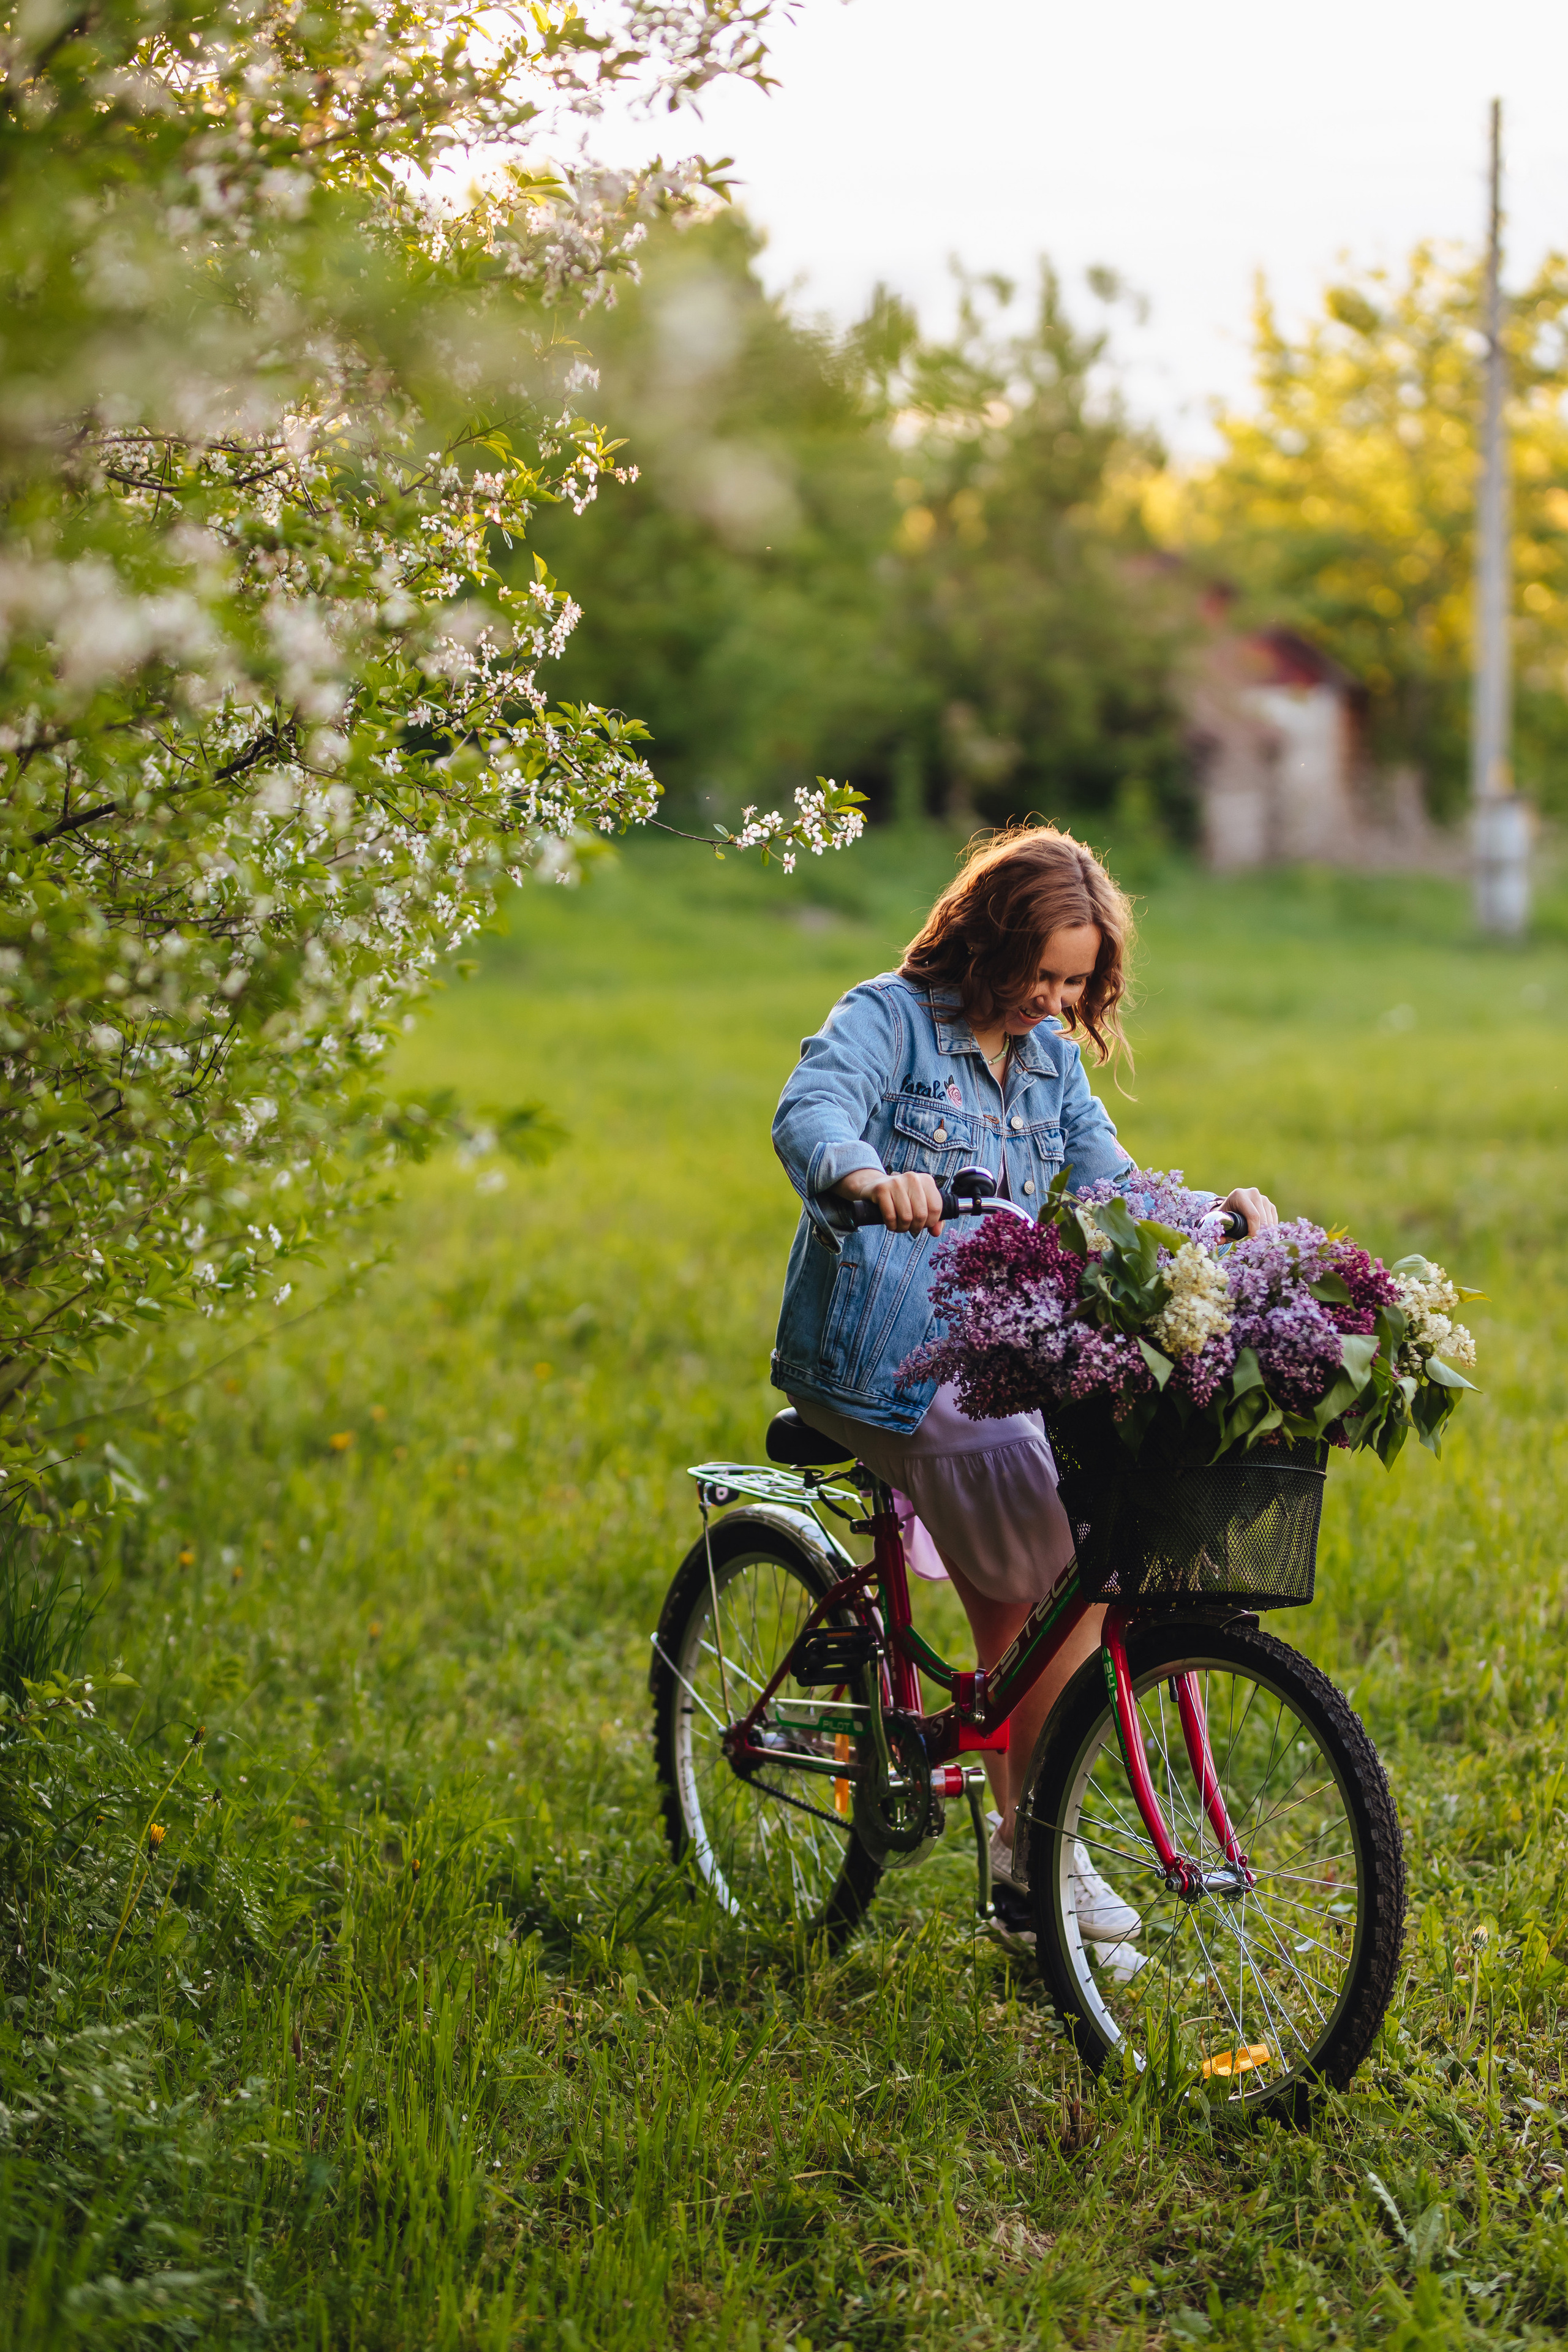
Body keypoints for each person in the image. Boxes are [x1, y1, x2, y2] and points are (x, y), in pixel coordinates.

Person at [769, 824, 1277, 1942]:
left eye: (1074, 981)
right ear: (985, 946)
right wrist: (864, 1172)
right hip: (879, 1363)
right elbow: (811, 1110)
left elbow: (1111, 1191)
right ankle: (1037, 1849)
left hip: (999, 1357)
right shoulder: (888, 1018)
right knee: (1048, 1547)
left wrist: (1215, 1221)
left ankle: (1021, 1857)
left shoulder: (1049, 1060)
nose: (1052, 1001)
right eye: (1038, 975)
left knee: (1062, 1553)